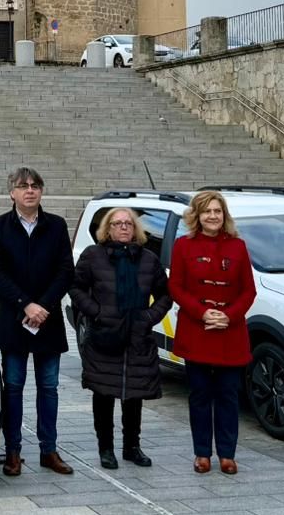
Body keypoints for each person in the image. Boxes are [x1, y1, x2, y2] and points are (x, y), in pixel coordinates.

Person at [0, 167, 75, 476]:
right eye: (23, 186)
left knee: (48, 388)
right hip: (15, 319)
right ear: (12, 193)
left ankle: (49, 450)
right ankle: (12, 452)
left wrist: (44, 305)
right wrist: (26, 304)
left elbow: (66, 270)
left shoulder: (56, 225)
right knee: (13, 387)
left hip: (47, 320)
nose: (30, 190)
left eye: (35, 185)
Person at [69, 207, 171, 470]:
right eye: (117, 223)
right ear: (108, 229)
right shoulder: (93, 256)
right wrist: (96, 312)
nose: (124, 227)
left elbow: (165, 295)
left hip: (137, 337)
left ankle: (131, 447)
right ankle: (106, 448)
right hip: (104, 335)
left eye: (128, 223)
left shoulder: (148, 259)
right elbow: (76, 287)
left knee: (133, 394)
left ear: (135, 229)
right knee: (103, 393)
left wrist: (149, 318)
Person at [169, 190, 256, 474]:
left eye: (217, 211)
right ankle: (202, 453)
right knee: (200, 395)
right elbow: (177, 287)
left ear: (224, 215)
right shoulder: (183, 245)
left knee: (229, 396)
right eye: (207, 211)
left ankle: (227, 454)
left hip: (230, 334)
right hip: (197, 330)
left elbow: (248, 290)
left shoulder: (238, 246)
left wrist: (228, 317)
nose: (213, 216)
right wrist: (203, 312)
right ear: (197, 215)